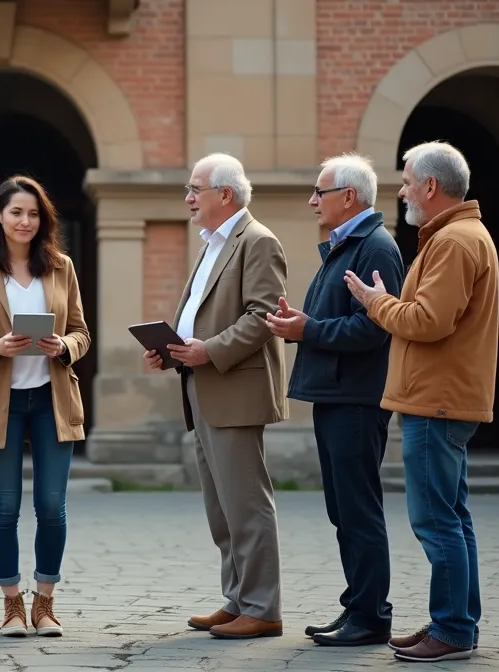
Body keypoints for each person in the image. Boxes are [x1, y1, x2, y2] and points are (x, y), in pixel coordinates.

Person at [345, 141, 498, 663]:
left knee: (436, 521)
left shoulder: (454, 241)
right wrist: (392, 302)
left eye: (407, 180)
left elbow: (428, 321)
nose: (402, 189)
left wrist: (375, 302)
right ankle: (455, 623)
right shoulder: (455, 236)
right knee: (452, 517)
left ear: (431, 186)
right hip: (441, 398)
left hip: (436, 401)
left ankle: (453, 630)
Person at [145, 152, 288, 640]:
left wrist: (210, 351)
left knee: (247, 504)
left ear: (224, 195)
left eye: (194, 189)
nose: (187, 199)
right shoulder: (212, 243)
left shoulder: (258, 240)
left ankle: (263, 608)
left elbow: (262, 316)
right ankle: (238, 600)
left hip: (235, 388)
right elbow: (200, 316)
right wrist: (171, 351)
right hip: (202, 386)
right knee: (221, 508)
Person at [265, 153, 404, 646]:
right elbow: (341, 320)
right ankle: (358, 608)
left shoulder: (376, 248)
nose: (311, 201)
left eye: (318, 192)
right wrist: (299, 324)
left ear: (348, 197)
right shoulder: (345, 245)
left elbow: (376, 326)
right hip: (336, 394)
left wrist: (310, 329)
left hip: (358, 400)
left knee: (358, 509)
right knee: (342, 510)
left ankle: (371, 616)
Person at [0, 175, 91, 638]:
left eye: (33, 213)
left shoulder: (61, 266)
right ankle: (11, 603)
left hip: (52, 398)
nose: (25, 221)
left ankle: (45, 601)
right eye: (16, 212)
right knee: (4, 507)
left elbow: (82, 333)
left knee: (52, 506)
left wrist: (63, 345)